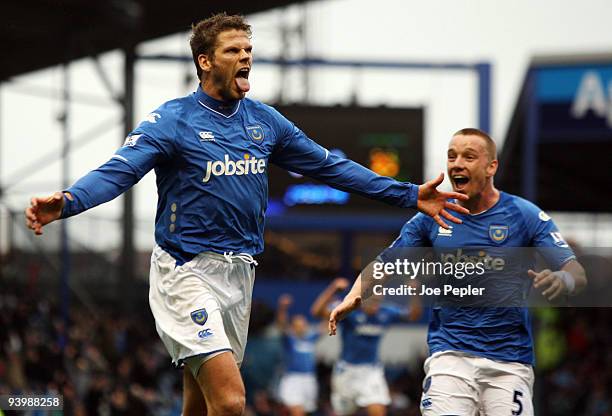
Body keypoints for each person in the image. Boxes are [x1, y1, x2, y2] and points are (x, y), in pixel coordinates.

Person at [24, 13, 470, 416]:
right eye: (233, 50)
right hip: (186, 271)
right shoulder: (172, 121)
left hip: (240, 275)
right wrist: (68, 201)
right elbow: (120, 171)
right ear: (204, 62)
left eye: (249, 50)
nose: (245, 58)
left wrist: (409, 194)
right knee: (232, 401)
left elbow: (331, 167)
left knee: (198, 402)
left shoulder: (264, 122)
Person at [329, 128, 587, 415]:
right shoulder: (432, 216)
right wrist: (354, 294)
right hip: (449, 357)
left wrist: (562, 279)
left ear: (491, 166)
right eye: (452, 156)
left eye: (468, 156)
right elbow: (387, 262)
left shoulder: (524, 215)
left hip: (509, 363)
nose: (457, 163)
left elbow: (575, 270)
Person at [312, 278, 421, 416]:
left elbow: (413, 315)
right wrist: (333, 288)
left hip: (371, 371)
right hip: (346, 371)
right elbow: (316, 312)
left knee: (378, 410)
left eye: (378, 299)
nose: (375, 303)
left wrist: (415, 293)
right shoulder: (350, 310)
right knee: (344, 412)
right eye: (372, 299)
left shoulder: (387, 312)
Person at [276, 294, 320, 416]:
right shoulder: (290, 339)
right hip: (293, 379)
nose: (301, 327)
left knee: (306, 411)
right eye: (298, 325)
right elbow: (282, 325)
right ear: (293, 327)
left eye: (303, 324)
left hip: (309, 379)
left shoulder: (310, 338)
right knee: (297, 411)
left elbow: (325, 325)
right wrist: (282, 308)